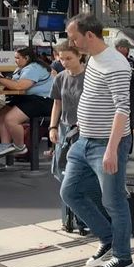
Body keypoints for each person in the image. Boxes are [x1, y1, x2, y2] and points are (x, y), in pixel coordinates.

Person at [60, 13, 134, 267]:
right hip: (84, 141)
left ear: (89, 36)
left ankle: (123, 256)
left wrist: (112, 149)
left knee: (113, 200)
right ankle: (108, 239)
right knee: (70, 192)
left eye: (74, 37)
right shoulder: (94, 59)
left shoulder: (116, 64)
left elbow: (122, 109)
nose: (72, 42)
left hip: (106, 143)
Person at [49, 43, 102, 233]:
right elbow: (57, 103)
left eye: (68, 58)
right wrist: (52, 127)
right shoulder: (61, 78)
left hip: (85, 130)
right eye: (61, 59)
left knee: (83, 176)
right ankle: (70, 219)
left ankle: (86, 218)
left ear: (80, 56)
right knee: (63, 174)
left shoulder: (90, 76)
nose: (64, 62)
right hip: (65, 131)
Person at [0, 47, 54, 157]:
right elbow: (12, 84)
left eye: (18, 58)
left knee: (10, 119)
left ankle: (20, 146)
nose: (15, 60)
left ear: (27, 58)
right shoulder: (21, 69)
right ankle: (5, 145)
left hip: (42, 101)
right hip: (27, 99)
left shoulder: (34, 68)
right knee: (1, 115)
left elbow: (20, 86)